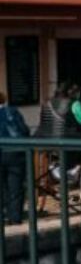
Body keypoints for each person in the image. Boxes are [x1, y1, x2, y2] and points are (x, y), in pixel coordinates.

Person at [0, 89, 28, 225]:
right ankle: (15, 218)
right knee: (15, 187)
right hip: (16, 152)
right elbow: (24, 130)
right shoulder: (13, 111)